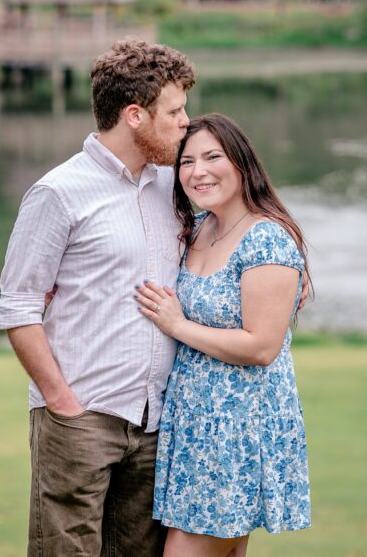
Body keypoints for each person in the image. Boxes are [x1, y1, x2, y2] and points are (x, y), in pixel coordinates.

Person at [0, 39, 196, 557]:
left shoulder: (175, 186)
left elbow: (235, 230)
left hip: (156, 422)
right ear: (135, 115)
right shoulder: (59, 192)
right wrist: (62, 402)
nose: (185, 122)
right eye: (174, 111)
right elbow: (18, 307)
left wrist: (287, 265)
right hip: (80, 419)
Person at [134, 113, 312, 557]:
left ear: (241, 163)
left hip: (237, 429)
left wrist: (178, 326)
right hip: (194, 427)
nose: (198, 171)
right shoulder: (195, 229)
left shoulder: (266, 239)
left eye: (212, 156)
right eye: (187, 161)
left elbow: (262, 346)